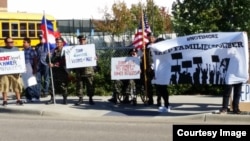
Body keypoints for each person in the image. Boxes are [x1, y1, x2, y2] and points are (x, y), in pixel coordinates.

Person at [0, 37, 23, 106]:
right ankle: (5, 101)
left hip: (15, 72)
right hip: (4, 72)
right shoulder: (1, 50)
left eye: (12, 42)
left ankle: (18, 100)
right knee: (4, 86)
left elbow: (19, 60)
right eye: (9, 42)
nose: (11, 43)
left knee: (17, 85)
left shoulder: (16, 49)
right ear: (6, 43)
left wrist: (20, 68)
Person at [46, 37, 69, 104]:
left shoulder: (65, 51)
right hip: (54, 71)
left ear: (62, 43)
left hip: (62, 71)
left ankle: (65, 99)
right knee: (52, 85)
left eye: (59, 42)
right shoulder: (53, 51)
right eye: (57, 42)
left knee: (63, 85)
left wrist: (55, 64)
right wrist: (48, 57)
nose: (57, 44)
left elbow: (64, 60)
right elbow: (47, 61)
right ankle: (52, 99)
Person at [74, 35, 95, 105]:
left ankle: (90, 99)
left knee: (90, 85)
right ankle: (80, 99)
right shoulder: (76, 49)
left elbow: (96, 56)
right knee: (79, 85)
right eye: (80, 40)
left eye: (83, 39)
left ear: (86, 40)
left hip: (88, 70)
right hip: (79, 70)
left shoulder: (90, 48)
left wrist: (96, 58)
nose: (81, 41)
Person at [22, 37, 39, 102]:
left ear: (28, 43)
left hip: (30, 68)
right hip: (24, 69)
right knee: (26, 83)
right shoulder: (23, 51)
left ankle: (36, 96)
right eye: (23, 42)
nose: (23, 43)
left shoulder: (32, 50)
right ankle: (28, 97)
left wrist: (34, 69)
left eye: (24, 42)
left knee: (32, 82)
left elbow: (35, 60)